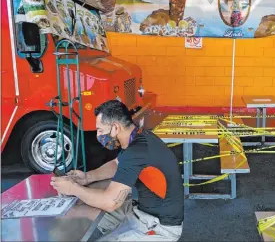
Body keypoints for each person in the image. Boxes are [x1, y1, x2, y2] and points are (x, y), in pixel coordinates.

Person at [51, 100, 184, 241]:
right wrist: (87, 177)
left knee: (93, 203)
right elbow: (116, 164)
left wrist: (73, 188)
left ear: (115, 128)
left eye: (100, 130)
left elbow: (110, 202)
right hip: (139, 211)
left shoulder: (136, 152)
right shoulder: (138, 137)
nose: (98, 135)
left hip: (159, 227)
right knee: (79, 209)